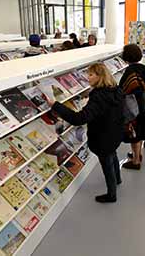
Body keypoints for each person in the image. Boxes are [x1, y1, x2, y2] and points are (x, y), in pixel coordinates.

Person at [47, 63, 123, 203]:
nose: (87, 78)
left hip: (102, 136)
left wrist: (56, 106)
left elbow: (79, 118)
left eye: (91, 75)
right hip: (115, 133)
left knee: (106, 162)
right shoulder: (115, 90)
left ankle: (111, 194)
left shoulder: (99, 96)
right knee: (112, 154)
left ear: (99, 76)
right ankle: (117, 179)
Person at [119, 44, 145, 170]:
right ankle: (139, 154)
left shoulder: (129, 71)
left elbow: (123, 90)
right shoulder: (144, 68)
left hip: (134, 108)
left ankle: (135, 161)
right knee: (141, 132)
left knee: (134, 134)